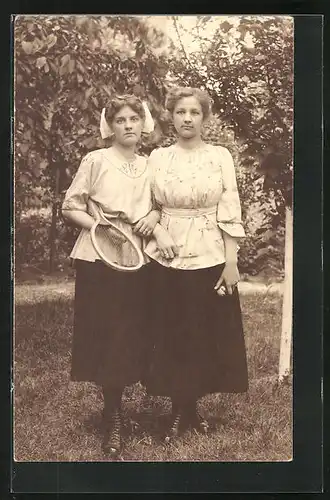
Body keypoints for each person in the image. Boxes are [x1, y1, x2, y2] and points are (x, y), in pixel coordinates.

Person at [144, 86, 249, 441]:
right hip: (168, 254)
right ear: (170, 116)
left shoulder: (220, 156)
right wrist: (158, 230)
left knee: (204, 332)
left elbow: (230, 208)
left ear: (205, 117)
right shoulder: (157, 158)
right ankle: (179, 409)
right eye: (180, 112)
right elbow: (147, 207)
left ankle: (190, 408)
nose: (187, 119)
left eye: (194, 112)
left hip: (210, 251)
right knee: (173, 331)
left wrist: (231, 261)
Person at [61, 94, 159, 458]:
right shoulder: (96, 160)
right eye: (121, 120)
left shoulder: (151, 164)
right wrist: (102, 228)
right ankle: (112, 413)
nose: (129, 125)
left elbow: (160, 205)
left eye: (135, 118)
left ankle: (125, 404)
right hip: (99, 254)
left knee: (132, 331)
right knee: (106, 331)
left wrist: (155, 218)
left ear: (143, 123)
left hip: (138, 257)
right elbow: (71, 205)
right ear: (110, 125)